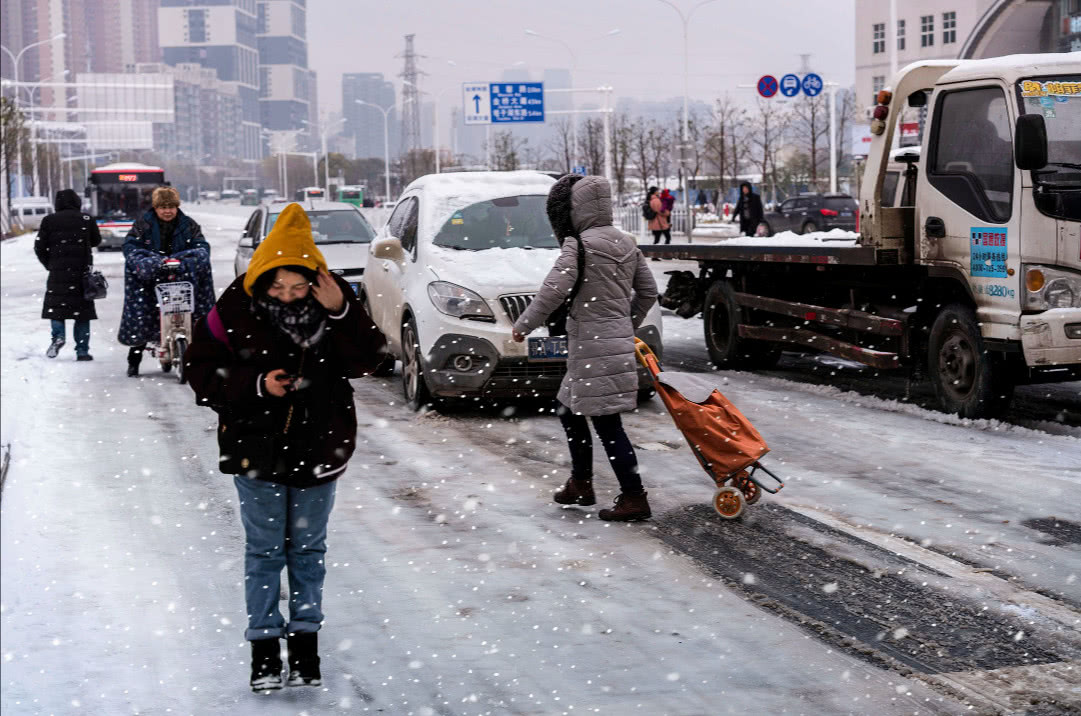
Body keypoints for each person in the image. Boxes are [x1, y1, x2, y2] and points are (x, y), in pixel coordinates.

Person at [185, 203, 386, 692]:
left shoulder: (333, 303)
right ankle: (263, 654)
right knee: (265, 552)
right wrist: (256, 384)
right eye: (278, 286)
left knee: (309, 551)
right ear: (261, 276)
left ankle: (305, 650)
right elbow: (199, 373)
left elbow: (372, 360)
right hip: (255, 446)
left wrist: (341, 308)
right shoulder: (232, 308)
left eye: (299, 288)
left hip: (321, 443)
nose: (289, 296)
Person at [512, 174, 659, 522]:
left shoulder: (578, 245)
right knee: (567, 408)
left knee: (608, 423)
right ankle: (581, 483)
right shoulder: (626, 242)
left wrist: (523, 326)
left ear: (574, 208)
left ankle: (635, 497)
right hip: (610, 344)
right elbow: (650, 292)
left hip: (592, 347)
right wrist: (626, 324)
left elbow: (552, 292)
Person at [118, 186, 214, 376]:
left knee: (194, 314)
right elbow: (130, 247)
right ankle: (134, 359)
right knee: (142, 315)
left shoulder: (189, 224)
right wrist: (148, 262)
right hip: (151, 279)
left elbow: (201, 245)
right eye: (163, 207)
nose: (167, 211)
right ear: (155, 207)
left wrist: (188, 259)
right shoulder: (143, 224)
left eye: (171, 206)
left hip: (181, 275)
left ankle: (199, 356)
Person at [34, 189, 102, 360]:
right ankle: (82, 351)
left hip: (58, 273)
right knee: (82, 313)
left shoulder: (49, 220)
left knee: (56, 309)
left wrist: (49, 264)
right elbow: (96, 241)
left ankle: (58, 337)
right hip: (82, 274)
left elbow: (39, 246)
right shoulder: (86, 219)